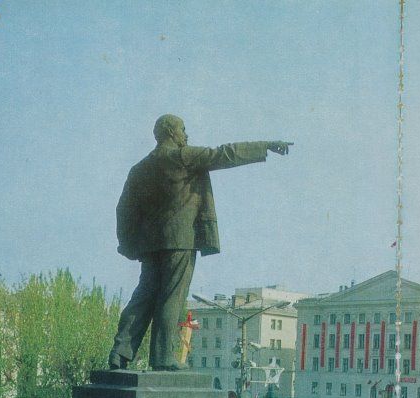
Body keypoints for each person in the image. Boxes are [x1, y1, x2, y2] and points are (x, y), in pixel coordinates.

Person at [107, 114, 292, 370]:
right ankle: (162, 357)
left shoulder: (139, 169)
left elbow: (123, 209)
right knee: (171, 297)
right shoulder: (182, 156)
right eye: (183, 129)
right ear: (171, 132)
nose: (186, 134)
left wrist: (126, 243)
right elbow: (225, 154)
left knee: (143, 296)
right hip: (180, 240)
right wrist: (266, 146)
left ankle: (120, 352)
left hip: (149, 245)